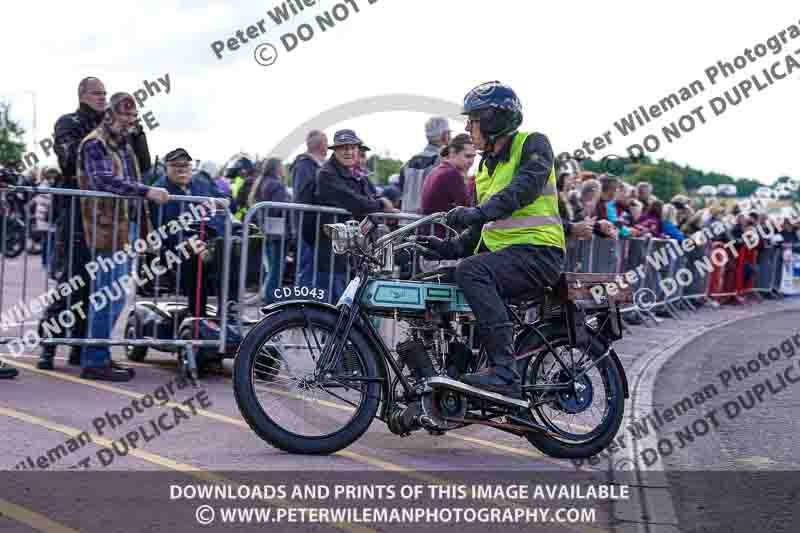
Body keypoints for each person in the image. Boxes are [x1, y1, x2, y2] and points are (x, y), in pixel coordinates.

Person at [417, 82, 565, 398]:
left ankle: (504, 373)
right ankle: (459, 360)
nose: (468, 128)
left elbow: (524, 189)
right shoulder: (485, 166)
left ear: (493, 120)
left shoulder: (533, 144)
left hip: (539, 253)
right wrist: (445, 247)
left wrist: (476, 212)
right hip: (508, 256)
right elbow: (483, 229)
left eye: (473, 120)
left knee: (471, 271)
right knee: (433, 282)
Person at [76, 92, 170, 381]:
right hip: (107, 227)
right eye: (125, 115)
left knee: (114, 295)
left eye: (133, 116)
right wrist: (146, 192)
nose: (130, 120)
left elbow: (140, 173)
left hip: (125, 226)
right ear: (111, 114)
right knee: (109, 296)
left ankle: (98, 356)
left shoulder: (125, 144)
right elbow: (103, 180)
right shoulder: (94, 142)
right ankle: (94, 359)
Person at [37, 77, 107, 370]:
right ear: (82, 94)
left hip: (105, 216)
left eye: (105, 93)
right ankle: (49, 345)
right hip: (76, 213)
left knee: (96, 285)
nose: (103, 98)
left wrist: (135, 131)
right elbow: (70, 160)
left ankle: (79, 348)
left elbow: (139, 162)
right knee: (71, 281)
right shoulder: (69, 122)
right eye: (97, 93)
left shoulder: (114, 125)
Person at [301, 129, 398, 302]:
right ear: (335, 150)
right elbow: (356, 203)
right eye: (342, 147)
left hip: (355, 252)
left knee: (353, 309)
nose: (348, 151)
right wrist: (382, 205)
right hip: (333, 254)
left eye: (352, 147)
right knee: (334, 309)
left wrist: (381, 204)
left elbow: (370, 197)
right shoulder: (326, 174)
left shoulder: (358, 173)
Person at [150, 148, 235, 321]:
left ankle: (228, 311)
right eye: (176, 165)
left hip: (211, 240)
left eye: (186, 165)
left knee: (235, 251)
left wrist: (225, 204)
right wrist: (190, 242)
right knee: (196, 258)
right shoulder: (159, 189)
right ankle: (197, 318)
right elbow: (165, 228)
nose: (182, 169)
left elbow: (227, 204)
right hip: (177, 245)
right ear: (166, 167)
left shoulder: (201, 183)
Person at [250, 158, 290, 304]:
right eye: (282, 166)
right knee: (276, 268)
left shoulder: (261, 183)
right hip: (279, 232)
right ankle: (271, 297)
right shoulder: (277, 185)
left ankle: (268, 295)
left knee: (271, 267)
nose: (284, 169)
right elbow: (278, 208)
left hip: (266, 230)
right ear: (277, 168)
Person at [421, 133, 475, 237]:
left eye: (473, 157)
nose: (471, 161)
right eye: (467, 156)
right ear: (453, 153)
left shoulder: (437, 170)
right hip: (442, 238)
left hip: (430, 234)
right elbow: (468, 208)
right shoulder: (451, 174)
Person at [399, 117, 451, 213]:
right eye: (449, 133)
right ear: (445, 135)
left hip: (405, 220)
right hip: (427, 222)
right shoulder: (442, 161)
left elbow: (401, 190)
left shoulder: (407, 163)